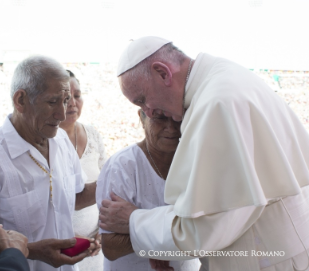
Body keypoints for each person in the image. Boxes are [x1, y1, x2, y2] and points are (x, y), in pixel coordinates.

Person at [99, 36, 309, 271]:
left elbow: (207, 228)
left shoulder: (216, 104)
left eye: (142, 100)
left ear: (163, 73)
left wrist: (134, 221)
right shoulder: (224, 78)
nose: (147, 111)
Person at [0, 55, 100, 271]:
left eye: (66, 100)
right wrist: (33, 251)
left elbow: (73, 196)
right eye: (52, 101)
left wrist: (113, 180)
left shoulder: (60, 141)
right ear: (20, 100)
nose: (62, 113)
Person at [96, 109, 200, 271]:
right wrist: (179, 232)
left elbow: (206, 229)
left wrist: (134, 221)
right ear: (142, 118)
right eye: (159, 117)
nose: (171, 127)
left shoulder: (196, 163)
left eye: (178, 118)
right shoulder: (123, 166)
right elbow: (111, 247)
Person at [60, 70, 107, 271]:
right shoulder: (45, 143)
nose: (72, 103)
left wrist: (104, 231)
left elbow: (109, 186)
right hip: (62, 247)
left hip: (96, 246)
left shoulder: (93, 134)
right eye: (65, 98)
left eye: (77, 96)